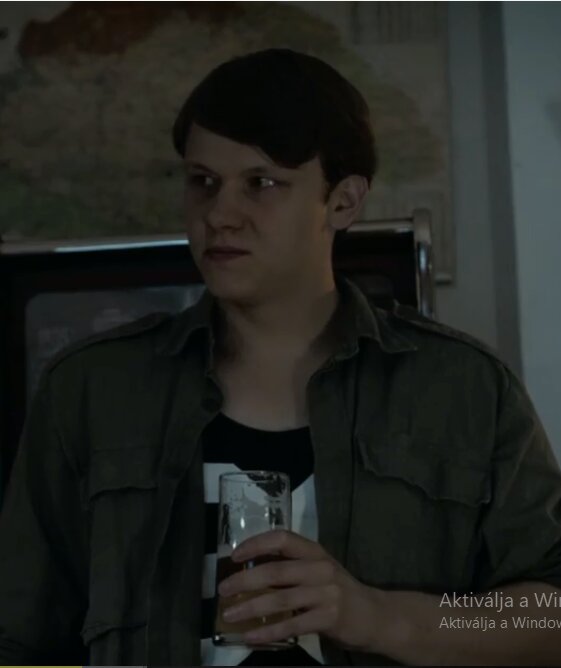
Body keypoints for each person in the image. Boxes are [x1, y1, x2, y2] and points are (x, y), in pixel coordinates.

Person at [0, 48, 561, 667]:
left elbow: (547, 613)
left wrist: (375, 615)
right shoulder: (92, 390)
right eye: (203, 181)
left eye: (261, 183)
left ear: (343, 201)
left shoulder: (463, 389)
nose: (219, 215)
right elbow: (19, 636)